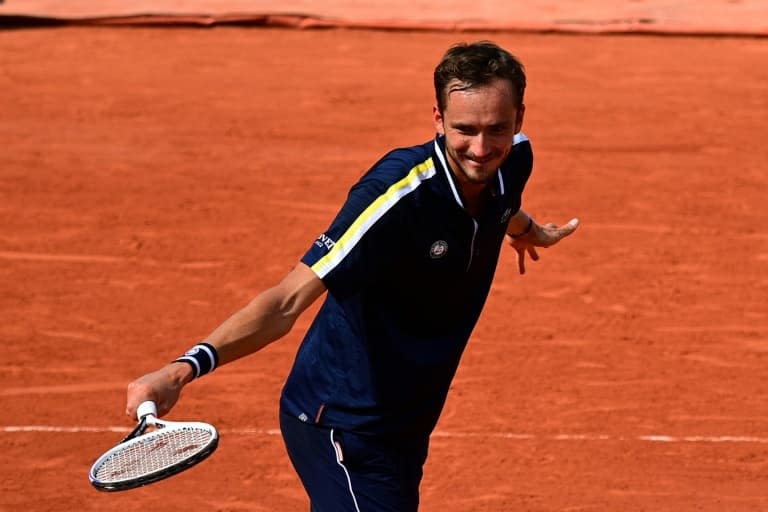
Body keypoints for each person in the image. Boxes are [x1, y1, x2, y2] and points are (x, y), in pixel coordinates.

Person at [126, 40, 579, 511]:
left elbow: (499, 201)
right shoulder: (393, 198)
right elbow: (286, 301)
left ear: (519, 120)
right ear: (438, 119)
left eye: (497, 130)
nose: (481, 149)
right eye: (464, 129)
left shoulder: (513, 163)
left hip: (407, 419)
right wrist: (181, 371)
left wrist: (527, 229)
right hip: (342, 422)